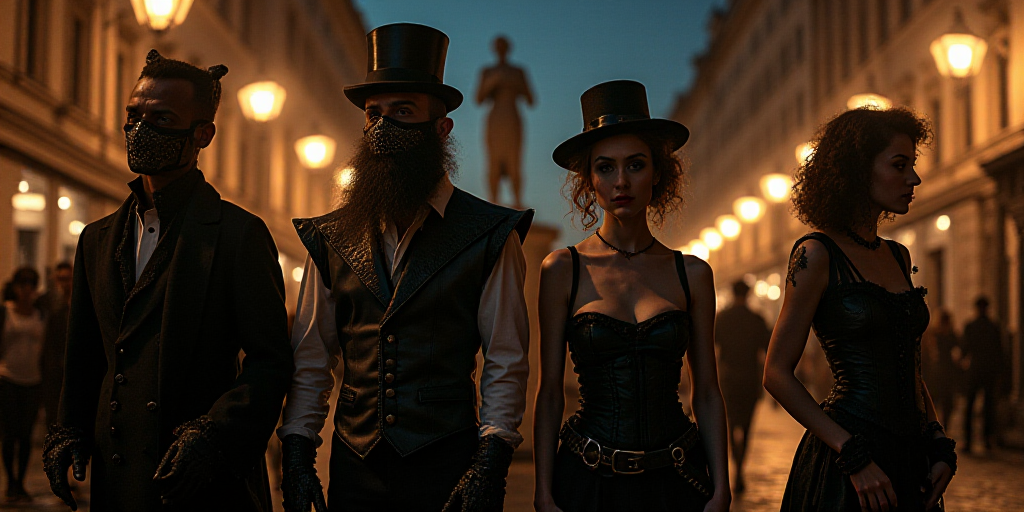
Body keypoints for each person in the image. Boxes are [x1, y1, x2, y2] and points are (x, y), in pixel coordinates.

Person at [277, 24, 533, 512]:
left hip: (449, 469)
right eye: (374, 114)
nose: (384, 126)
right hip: (354, 468)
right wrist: (297, 452)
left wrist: (491, 461)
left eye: (403, 111)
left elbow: (506, 358)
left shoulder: (488, 233)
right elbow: (312, 359)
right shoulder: (330, 236)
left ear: (442, 129)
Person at [42, 50, 293, 511]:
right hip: (118, 481)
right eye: (133, 115)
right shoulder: (96, 239)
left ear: (203, 134)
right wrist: (68, 428)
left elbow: (270, 361)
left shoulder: (239, 234)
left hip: (202, 483)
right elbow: (83, 355)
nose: (140, 129)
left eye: (162, 118)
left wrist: (215, 435)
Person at [533, 80, 730, 512]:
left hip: (677, 480)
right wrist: (543, 492)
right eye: (605, 167)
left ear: (658, 173)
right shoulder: (563, 268)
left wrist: (722, 489)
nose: (621, 181)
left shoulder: (692, 272)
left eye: (635, 165)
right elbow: (549, 392)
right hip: (587, 482)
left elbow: (708, 393)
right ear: (589, 180)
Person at [763, 107, 956, 511]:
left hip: (911, 457)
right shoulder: (816, 254)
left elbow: (910, 365)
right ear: (856, 170)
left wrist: (936, 437)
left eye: (913, 165)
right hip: (849, 458)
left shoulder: (899, 256)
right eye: (899, 165)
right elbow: (777, 374)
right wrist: (850, 453)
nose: (914, 178)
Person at [715, 279, 772, 494]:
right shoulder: (757, 319)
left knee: (730, 423)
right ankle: (739, 469)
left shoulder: (722, 318)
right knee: (747, 426)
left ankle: (735, 462)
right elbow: (767, 353)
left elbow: (714, 349)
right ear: (748, 294)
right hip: (750, 379)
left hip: (728, 379)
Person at [0, 267, 45, 503]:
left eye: (31, 284)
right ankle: (10, 483)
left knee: (26, 435)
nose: (27, 289)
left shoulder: (40, 315)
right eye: (23, 284)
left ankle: (21, 482)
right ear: (15, 286)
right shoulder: (5, 312)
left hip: (33, 380)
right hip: (8, 378)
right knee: (10, 434)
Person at [476, 35, 534, 208]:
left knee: (514, 160)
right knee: (494, 161)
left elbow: (531, 99)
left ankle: (517, 202)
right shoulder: (488, 72)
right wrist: (494, 81)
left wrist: (514, 83)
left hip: (512, 118)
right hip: (495, 119)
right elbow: (479, 98)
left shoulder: (518, 71)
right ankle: (493, 201)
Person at [960, 296, 1005, 453]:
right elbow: (1000, 352)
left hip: (975, 369)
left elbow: (964, 349)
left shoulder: (971, 326)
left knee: (970, 405)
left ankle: (968, 440)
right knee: (988, 406)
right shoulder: (993, 327)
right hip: (989, 370)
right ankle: (987, 439)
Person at [36, 261, 73, 428]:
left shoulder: (79, 301)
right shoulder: (48, 301)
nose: (63, 283)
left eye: (67, 278)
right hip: (53, 367)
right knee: (53, 415)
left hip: (72, 367)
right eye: (60, 279)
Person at [922, 310, 959, 427]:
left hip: (945, 374)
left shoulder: (951, 336)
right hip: (936, 375)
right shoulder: (934, 336)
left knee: (946, 403)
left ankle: (942, 426)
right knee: (935, 402)